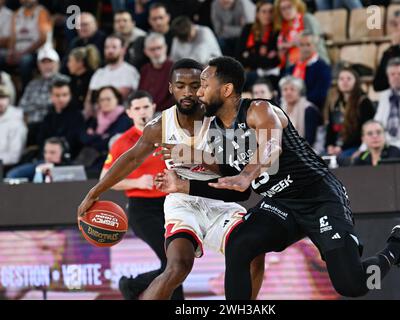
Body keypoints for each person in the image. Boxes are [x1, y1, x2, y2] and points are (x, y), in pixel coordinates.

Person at [155, 56, 400, 300]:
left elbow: (271, 146)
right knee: (239, 245)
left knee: (353, 285)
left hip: (319, 197)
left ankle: (398, 248)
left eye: (204, 84)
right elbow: (236, 190)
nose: (198, 91)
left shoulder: (259, 110)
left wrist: (247, 174)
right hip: (281, 203)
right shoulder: (215, 130)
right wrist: (187, 185)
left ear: (226, 89)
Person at [77, 59, 264, 300]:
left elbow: (237, 179)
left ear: (204, 86)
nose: (188, 92)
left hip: (219, 201)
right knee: (177, 266)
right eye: (181, 85)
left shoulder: (221, 121)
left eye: (195, 85)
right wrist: (94, 192)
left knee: (254, 254)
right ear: (170, 88)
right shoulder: (160, 126)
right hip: (182, 203)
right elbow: (131, 158)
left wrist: (199, 157)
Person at [101, 91, 184, 300]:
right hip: (142, 208)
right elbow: (105, 179)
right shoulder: (123, 142)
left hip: (172, 204)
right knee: (173, 262)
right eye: (136, 108)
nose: (142, 112)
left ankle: (132, 285)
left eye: (145, 107)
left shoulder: (168, 133)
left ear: (154, 107)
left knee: (177, 262)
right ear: (129, 112)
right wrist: (137, 182)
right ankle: (132, 285)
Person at [325, 66, 375, 159]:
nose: (345, 81)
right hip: (337, 147)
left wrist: (341, 148)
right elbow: (330, 129)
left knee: (342, 159)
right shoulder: (335, 103)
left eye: (349, 78)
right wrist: (330, 145)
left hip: (355, 146)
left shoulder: (364, 102)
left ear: (356, 81)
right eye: (341, 79)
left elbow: (363, 131)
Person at [80, 86, 132, 175]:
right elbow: (84, 138)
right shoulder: (96, 118)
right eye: (102, 100)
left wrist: (95, 136)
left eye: (108, 99)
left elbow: (108, 142)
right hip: (94, 159)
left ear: (117, 99)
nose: (105, 102)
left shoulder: (124, 119)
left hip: (113, 160)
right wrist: (102, 137)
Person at [85, 35, 140, 118]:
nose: (110, 51)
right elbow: (88, 100)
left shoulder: (130, 72)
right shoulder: (99, 73)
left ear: (123, 50)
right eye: (107, 47)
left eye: (114, 47)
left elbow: (130, 99)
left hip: (122, 119)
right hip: (97, 119)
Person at [1, 0, 52, 88]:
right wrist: (11, 52)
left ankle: (25, 90)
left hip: (37, 51)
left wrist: (23, 53)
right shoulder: (16, 13)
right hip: (18, 51)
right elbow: (13, 38)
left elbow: (43, 39)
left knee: (25, 61)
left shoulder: (42, 12)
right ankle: (6, 88)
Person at [18, 46, 61, 146]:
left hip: (52, 125)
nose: (47, 66)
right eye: (43, 63)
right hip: (30, 126)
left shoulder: (63, 82)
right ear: (38, 65)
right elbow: (22, 107)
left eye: (50, 62)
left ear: (57, 64)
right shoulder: (32, 84)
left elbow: (55, 104)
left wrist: (34, 105)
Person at [236, 0, 280, 91]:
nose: (267, 15)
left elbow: (273, 61)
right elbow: (239, 56)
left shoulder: (276, 32)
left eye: (270, 12)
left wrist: (249, 56)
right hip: (249, 72)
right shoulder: (248, 29)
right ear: (257, 14)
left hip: (269, 74)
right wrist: (263, 59)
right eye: (264, 11)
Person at [289, 30, 331, 111]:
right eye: (301, 45)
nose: (305, 48)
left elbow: (320, 93)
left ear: (315, 46)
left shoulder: (322, 67)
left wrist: (299, 102)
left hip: (311, 108)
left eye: (308, 45)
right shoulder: (292, 68)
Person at [278, 75, 321, 146]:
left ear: (300, 92)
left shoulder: (309, 109)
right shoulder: (279, 108)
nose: (288, 92)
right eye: (285, 89)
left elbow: (310, 139)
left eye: (292, 89)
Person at [138, 33, 174, 112]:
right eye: (152, 49)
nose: (157, 53)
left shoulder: (174, 68)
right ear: (146, 52)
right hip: (146, 112)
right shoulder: (144, 70)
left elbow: (175, 97)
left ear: (165, 48)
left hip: (167, 113)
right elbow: (141, 94)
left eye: (159, 48)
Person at [0, 87, 27, 170]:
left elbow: (14, 157)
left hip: (7, 166)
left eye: (3, 98)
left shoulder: (16, 121)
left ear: (9, 99)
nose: (0, 102)